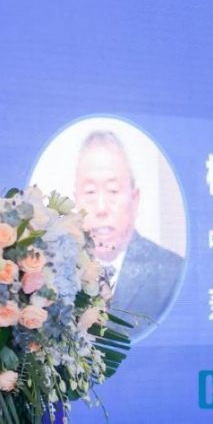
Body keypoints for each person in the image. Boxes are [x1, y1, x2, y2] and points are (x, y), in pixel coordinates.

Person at [74, 130, 184, 341]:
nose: (101, 208)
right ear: (75, 201)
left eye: (113, 191)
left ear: (135, 200)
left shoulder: (171, 273)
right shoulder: (53, 273)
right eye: (90, 192)